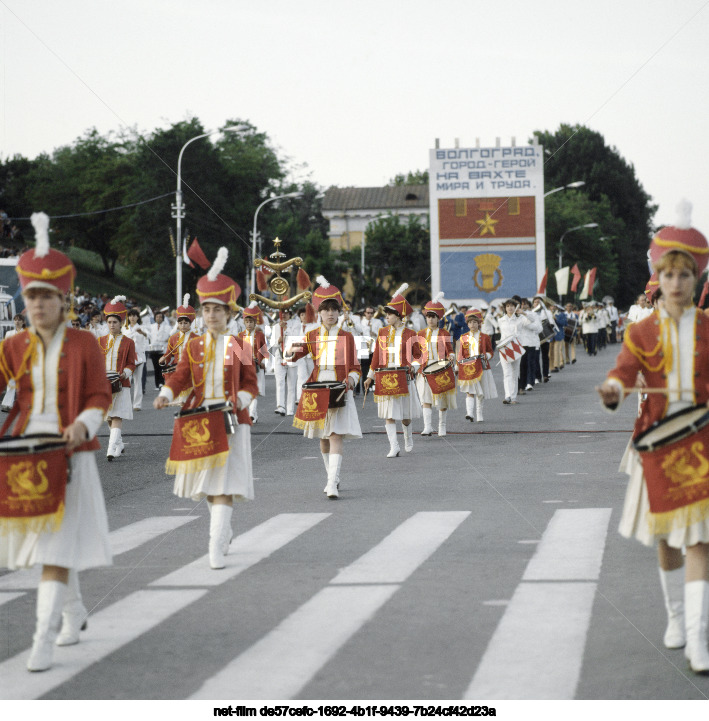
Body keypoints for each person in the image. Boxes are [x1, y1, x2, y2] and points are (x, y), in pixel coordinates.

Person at [597, 202, 709, 673]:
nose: (677, 283)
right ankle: (677, 619)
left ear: (696, 278)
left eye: (686, 274)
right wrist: (613, 389)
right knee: (666, 539)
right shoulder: (640, 331)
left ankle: (699, 640)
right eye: (669, 275)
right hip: (658, 443)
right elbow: (624, 373)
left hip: (703, 441)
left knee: (701, 540)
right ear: (658, 278)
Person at [0, 212, 112, 672]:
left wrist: (85, 424)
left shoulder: (86, 342)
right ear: (23, 301)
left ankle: (41, 639)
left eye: (48, 296)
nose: (39, 305)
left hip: (70, 453)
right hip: (24, 455)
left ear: (65, 299)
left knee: (55, 547)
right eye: (32, 297)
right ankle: (74, 611)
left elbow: (99, 394)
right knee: (50, 546)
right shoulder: (11, 344)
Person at [154, 248, 258, 569]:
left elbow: (250, 384)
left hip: (231, 421)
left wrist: (238, 401)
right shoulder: (194, 345)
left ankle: (214, 545)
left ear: (229, 313)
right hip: (199, 419)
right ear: (201, 313)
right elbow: (182, 375)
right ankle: (223, 531)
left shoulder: (239, 345)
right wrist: (166, 392)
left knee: (223, 485)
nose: (212, 315)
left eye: (218, 310)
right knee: (212, 488)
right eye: (207, 310)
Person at [287, 276, 361, 499]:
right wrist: (285, 347)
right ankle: (332, 477)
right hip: (317, 389)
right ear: (318, 312)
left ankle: (331, 483)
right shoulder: (311, 336)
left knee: (336, 435)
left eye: (334, 309)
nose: (330, 313)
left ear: (339, 312)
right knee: (323, 438)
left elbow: (356, 366)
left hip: (339, 389)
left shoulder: (347, 337)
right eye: (325, 309)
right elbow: (292, 356)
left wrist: (352, 379)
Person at [363, 283, 422, 457]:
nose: (386, 316)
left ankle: (408, 437)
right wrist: (370, 376)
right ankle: (394, 446)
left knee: (405, 416)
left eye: (389, 314)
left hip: (404, 376)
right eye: (386, 314)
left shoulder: (411, 334)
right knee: (389, 414)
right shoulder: (382, 332)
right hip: (386, 376)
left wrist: (414, 366)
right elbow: (376, 356)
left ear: (398, 315)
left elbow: (419, 355)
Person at [98, 296, 137, 460]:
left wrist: (124, 374)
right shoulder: (100, 341)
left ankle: (111, 449)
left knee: (116, 415)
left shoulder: (128, 342)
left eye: (115, 322)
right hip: (103, 384)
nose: (112, 325)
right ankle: (119, 444)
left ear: (121, 323)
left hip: (121, 383)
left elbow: (131, 363)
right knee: (108, 416)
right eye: (109, 322)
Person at [416, 293, 456, 437]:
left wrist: (451, 357)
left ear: (438, 319)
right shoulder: (420, 333)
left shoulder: (444, 333)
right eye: (428, 317)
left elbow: (450, 350)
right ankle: (427, 426)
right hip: (425, 370)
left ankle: (442, 426)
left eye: (433, 317)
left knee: (441, 399)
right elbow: (416, 354)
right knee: (425, 398)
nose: (430, 319)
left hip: (440, 368)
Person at [456, 308, 496, 421]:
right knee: (469, 391)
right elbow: (461, 353)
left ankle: (479, 413)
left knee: (480, 392)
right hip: (468, 367)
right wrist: (457, 366)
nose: (472, 324)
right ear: (467, 324)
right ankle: (469, 413)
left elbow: (490, 351)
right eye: (470, 322)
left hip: (481, 366)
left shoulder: (485, 337)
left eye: (475, 322)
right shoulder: (463, 337)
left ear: (479, 323)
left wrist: (487, 356)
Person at [158, 294, 197, 407]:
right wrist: (163, 360)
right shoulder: (173, 338)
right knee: (183, 403)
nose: (183, 325)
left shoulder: (196, 338)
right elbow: (168, 355)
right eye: (180, 323)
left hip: (191, 372)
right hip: (177, 370)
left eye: (186, 323)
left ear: (190, 323)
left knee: (188, 401)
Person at [237, 302, 269, 423]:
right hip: (244, 367)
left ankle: (252, 414)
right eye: (247, 322)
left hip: (257, 366)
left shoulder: (260, 335)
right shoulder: (239, 335)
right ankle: (249, 413)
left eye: (251, 322)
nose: (249, 324)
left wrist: (263, 362)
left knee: (256, 390)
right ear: (244, 323)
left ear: (255, 323)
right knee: (246, 390)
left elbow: (264, 350)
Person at [498, 298, 533, 405]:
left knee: (514, 372)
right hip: (505, 347)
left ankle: (513, 397)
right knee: (506, 373)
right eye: (508, 306)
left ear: (515, 307)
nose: (510, 308)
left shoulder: (520, 318)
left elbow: (533, 320)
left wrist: (524, 313)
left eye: (512, 306)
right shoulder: (501, 320)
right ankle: (507, 396)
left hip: (516, 347)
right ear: (505, 308)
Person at [270, 308, 296, 416]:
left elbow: (297, 340)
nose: (284, 315)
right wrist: (278, 341)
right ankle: (280, 406)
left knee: (291, 383)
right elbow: (272, 343)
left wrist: (286, 330)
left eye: (286, 312)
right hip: (279, 356)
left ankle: (290, 408)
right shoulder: (276, 327)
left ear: (290, 314)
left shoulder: (295, 325)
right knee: (279, 381)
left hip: (292, 355)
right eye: (282, 313)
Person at [124, 307, 149, 411]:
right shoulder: (124, 328)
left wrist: (142, 333)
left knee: (138, 381)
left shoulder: (142, 327)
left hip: (139, 356)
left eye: (134, 316)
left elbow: (148, 336)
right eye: (130, 316)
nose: (132, 318)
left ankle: (137, 404)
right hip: (127, 357)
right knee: (126, 380)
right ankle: (125, 404)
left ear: (138, 317)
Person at [1, 314, 26, 412]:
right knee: (11, 383)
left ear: (23, 322)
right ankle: (7, 404)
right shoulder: (9, 333)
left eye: (19, 320)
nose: (17, 321)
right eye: (16, 320)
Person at [147, 310, 172, 389]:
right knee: (156, 367)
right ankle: (157, 384)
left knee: (162, 366)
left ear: (163, 318)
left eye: (160, 317)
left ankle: (162, 382)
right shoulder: (151, 326)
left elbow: (171, 335)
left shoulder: (167, 327)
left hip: (163, 349)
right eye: (157, 317)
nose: (159, 318)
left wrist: (167, 339)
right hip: (154, 349)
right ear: (155, 318)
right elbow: (148, 336)